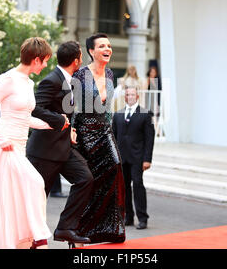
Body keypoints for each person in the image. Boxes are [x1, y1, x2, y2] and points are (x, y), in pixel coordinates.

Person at [0, 37, 53, 249]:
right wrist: (1, 140)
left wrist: (50, 125)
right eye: (45, 60)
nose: (46, 65)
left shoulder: (29, 82)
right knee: (35, 183)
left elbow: (24, 118)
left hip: (19, 146)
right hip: (4, 146)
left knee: (15, 198)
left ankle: (22, 241)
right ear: (37, 60)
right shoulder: (8, 79)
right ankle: (38, 238)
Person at [26, 41, 93, 248]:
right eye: (81, 57)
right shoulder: (51, 80)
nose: (81, 60)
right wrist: (60, 121)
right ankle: (28, 240)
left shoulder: (70, 80)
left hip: (63, 148)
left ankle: (66, 227)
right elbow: (34, 108)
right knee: (37, 201)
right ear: (76, 60)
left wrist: (69, 128)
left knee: (85, 179)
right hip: (44, 153)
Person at [72, 33, 126, 245]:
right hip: (85, 132)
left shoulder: (111, 74)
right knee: (91, 180)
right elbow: (72, 106)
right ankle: (80, 229)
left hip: (105, 131)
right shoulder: (80, 75)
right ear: (91, 51)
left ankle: (109, 230)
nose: (107, 49)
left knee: (114, 168)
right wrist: (71, 130)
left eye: (109, 45)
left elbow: (108, 110)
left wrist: (111, 131)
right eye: (102, 45)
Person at [112, 86, 155, 230]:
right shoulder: (118, 115)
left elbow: (150, 139)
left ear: (137, 97)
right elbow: (114, 138)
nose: (130, 97)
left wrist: (147, 159)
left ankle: (142, 218)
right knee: (124, 188)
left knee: (137, 185)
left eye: (132, 95)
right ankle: (128, 217)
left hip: (137, 158)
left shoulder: (145, 114)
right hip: (122, 158)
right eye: (128, 95)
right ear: (125, 97)